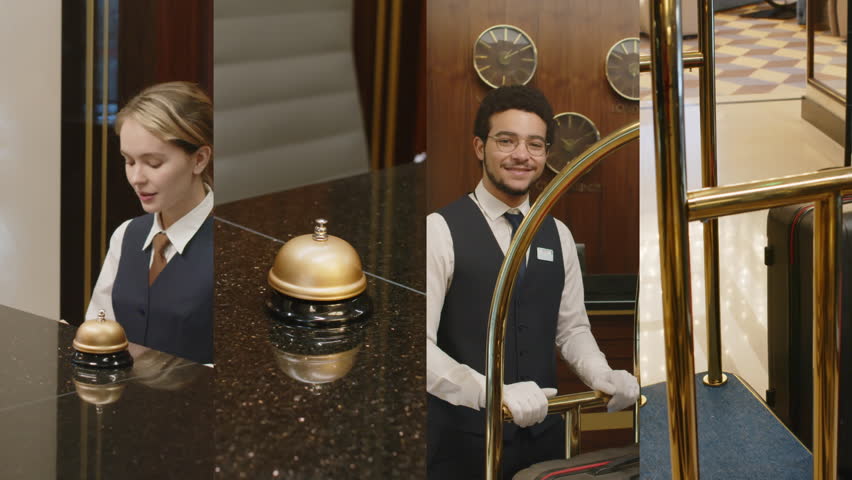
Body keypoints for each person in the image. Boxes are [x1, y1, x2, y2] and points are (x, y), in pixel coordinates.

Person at [426, 85, 640, 478]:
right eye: (506, 141)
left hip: (547, 443)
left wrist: (600, 373)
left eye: (535, 144)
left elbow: (571, 328)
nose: (521, 155)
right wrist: (490, 394)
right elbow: (418, 349)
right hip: (464, 443)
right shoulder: (439, 231)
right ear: (479, 147)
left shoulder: (557, 233)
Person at [86, 81, 214, 365]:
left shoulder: (232, 247)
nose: (136, 178)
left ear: (199, 159)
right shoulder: (126, 235)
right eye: (129, 161)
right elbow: (99, 330)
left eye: (153, 163)